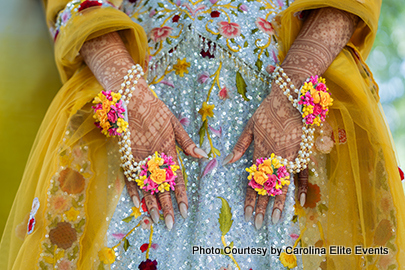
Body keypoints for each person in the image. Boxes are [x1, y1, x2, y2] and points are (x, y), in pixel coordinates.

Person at [1, 0, 404, 269]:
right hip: (138, 104)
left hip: (291, 95)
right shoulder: (133, 102)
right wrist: (130, 95)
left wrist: (295, 88)